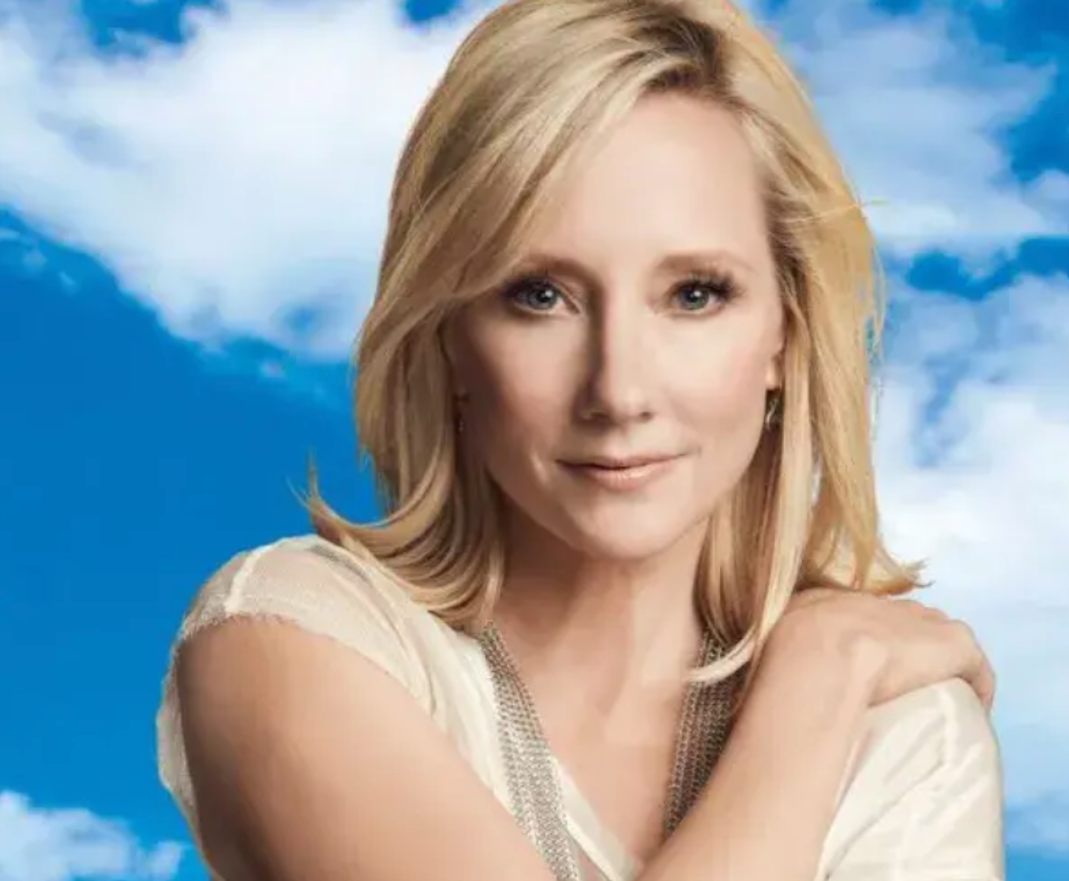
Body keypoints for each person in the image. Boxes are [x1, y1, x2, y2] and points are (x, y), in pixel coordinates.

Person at [155, 0, 1004, 879]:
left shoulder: (907, 732)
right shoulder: (289, 636)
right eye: (539, 295)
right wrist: (813, 690)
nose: (619, 392)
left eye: (695, 294)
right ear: (447, 333)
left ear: (785, 334)